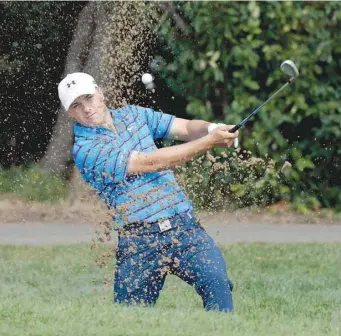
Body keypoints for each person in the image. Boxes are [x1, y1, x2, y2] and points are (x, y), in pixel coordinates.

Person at [58, 72, 239, 312]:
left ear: (100, 93)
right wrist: (209, 142)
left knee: (217, 281)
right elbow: (149, 163)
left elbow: (184, 127)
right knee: (130, 318)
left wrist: (211, 128)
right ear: (70, 113)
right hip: (139, 242)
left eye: (89, 98)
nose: (87, 109)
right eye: (76, 105)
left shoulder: (134, 114)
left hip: (183, 227)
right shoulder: (86, 150)